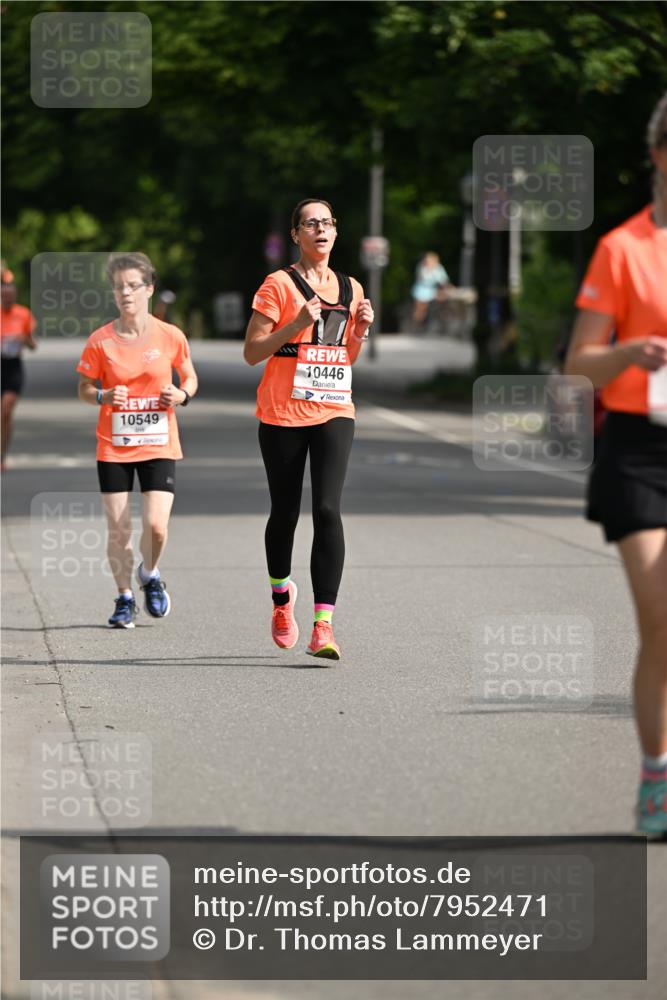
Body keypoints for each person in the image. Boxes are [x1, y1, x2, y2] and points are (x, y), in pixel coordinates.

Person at [565, 92, 667, 836]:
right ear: (659, 155)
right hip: (639, 448)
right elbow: (579, 365)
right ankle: (655, 775)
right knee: (660, 618)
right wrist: (628, 352)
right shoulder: (623, 247)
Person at [244, 199, 374, 660]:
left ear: (336, 233)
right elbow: (253, 352)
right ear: (297, 234)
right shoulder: (277, 285)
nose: (321, 230)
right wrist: (296, 325)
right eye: (311, 223)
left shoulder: (351, 286)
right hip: (282, 411)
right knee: (285, 512)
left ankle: (324, 625)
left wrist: (357, 332)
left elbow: (346, 359)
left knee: (327, 509)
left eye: (328, 223)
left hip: (334, 407)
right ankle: (282, 599)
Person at [77, 252, 198, 628]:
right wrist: (102, 396)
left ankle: (150, 573)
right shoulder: (100, 341)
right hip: (113, 444)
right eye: (118, 287)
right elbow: (83, 387)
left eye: (133, 286)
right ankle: (124, 597)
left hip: (159, 442)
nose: (125, 293)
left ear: (149, 289)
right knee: (119, 529)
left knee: (157, 527)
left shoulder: (170, 335)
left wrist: (181, 395)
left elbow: (190, 378)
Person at [1, 268, 37, 469]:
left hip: (13, 367)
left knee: (5, 411)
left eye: (10, 295)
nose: (7, 299)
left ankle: (2, 454)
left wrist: (24, 339)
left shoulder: (23, 314)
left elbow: (33, 345)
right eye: (3, 295)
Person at [411, 251, 449, 330]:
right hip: (421, 290)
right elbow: (422, 278)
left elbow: (443, 280)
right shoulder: (422, 267)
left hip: (433, 290)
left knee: (444, 299)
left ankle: (441, 318)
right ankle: (417, 325)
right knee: (421, 309)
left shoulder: (439, 267)